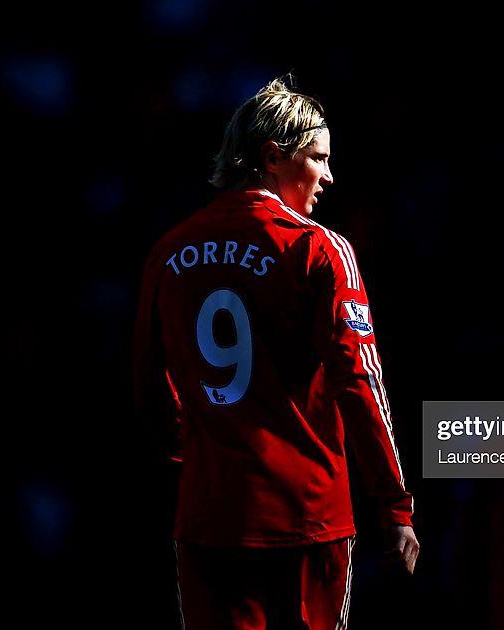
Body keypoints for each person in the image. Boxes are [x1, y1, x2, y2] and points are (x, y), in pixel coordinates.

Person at [134, 76, 418, 629]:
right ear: (272, 156)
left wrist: (197, 467)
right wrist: (393, 502)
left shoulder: (168, 252)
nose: (329, 176)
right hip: (306, 517)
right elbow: (360, 381)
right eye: (319, 158)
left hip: (211, 517)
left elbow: (148, 384)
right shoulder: (318, 248)